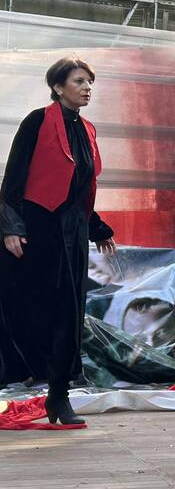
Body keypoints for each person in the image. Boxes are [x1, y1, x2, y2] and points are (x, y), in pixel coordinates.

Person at [0, 57, 116, 425]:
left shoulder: (87, 130)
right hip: (38, 231)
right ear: (57, 87)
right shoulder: (37, 121)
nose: (87, 88)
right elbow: (13, 179)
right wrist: (11, 228)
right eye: (79, 81)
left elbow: (81, 188)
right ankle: (30, 374)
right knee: (32, 311)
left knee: (69, 313)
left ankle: (59, 396)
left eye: (89, 82)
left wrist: (97, 228)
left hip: (72, 232)